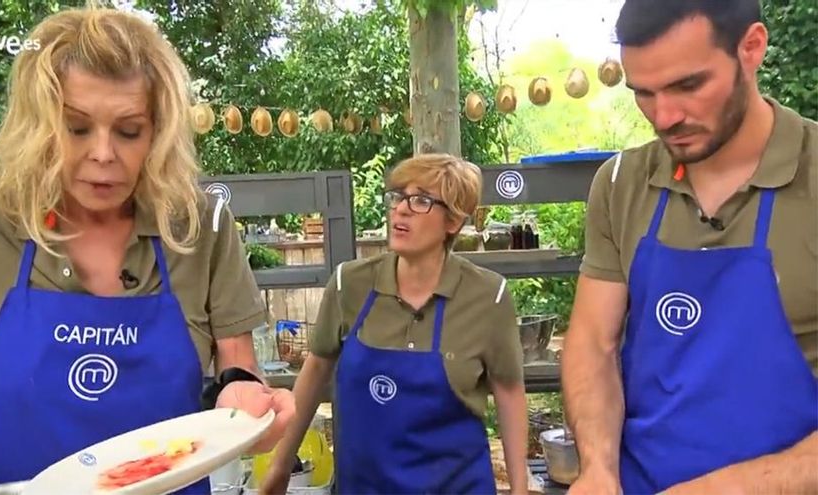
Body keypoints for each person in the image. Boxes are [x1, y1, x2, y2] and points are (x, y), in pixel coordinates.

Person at [0, 5, 294, 492]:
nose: (103, 153)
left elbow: (239, 375)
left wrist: (251, 409)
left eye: (129, 131)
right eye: (77, 127)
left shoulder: (199, 226)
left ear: (158, 131)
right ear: (40, 124)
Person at [561, 1, 817, 494]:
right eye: (644, 94)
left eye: (688, 85)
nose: (665, 116)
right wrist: (597, 468)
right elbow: (594, 342)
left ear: (752, 47)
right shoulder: (621, 184)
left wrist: (731, 488)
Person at [260, 154, 529, 494]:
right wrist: (280, 466)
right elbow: (314, 373)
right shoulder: (349, 285)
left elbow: (509, 391)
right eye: (399, 196)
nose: (401, 209)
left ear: (453, 221)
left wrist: (520, 488)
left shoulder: (488, 297)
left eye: (421, 200)